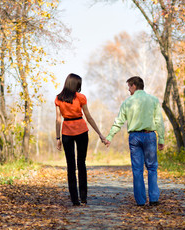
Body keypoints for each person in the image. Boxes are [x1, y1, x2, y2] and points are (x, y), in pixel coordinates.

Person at [105, 76, 165, 206]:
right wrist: (161, 138)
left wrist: (110, 137)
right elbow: (158, 121)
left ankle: (140, 201)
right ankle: (154, 199)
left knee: (137, 170)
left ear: (134, 85)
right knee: (152, 168)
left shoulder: (127, 102)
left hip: (134, 137)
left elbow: (119, 121)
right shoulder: (153, 100)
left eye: (129, 87)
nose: (128, 90)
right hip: (149, 136)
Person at [55, 73, 106, 206]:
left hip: (66, 132)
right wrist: (100, 134)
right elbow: (88, 117)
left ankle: (74, 200)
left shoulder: (58, 98)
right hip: (82, 130)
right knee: (81, 164)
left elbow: (58, 119)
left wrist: (58, 138)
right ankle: (83, 197)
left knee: (70, 166)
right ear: (76, 84)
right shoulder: (81, 97)